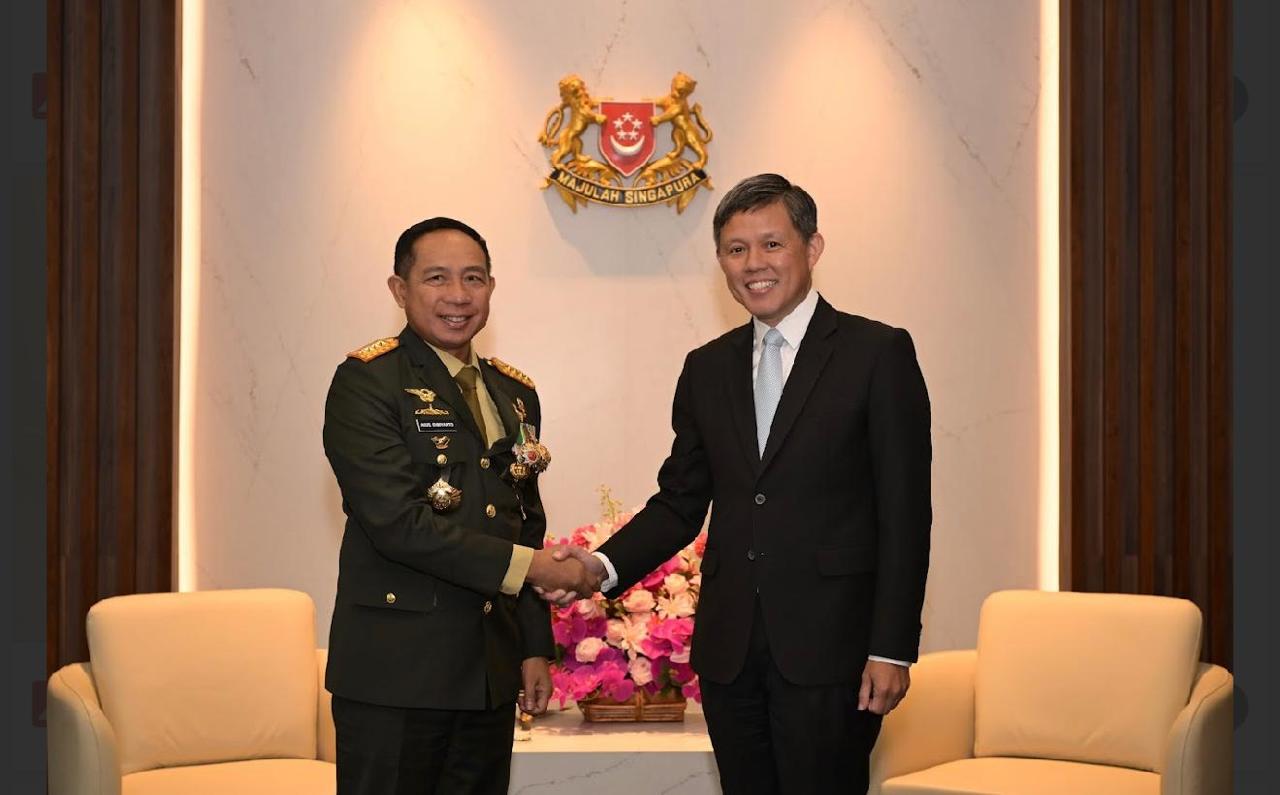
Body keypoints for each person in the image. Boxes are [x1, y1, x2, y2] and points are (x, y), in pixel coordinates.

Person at [548, 174, 932, 793]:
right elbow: (680, 503)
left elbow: (906, 515)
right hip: (730, 656)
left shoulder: (876, 353)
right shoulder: (707, 367)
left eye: (771, 244)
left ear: (812, 247)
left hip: (833, 652)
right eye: (735, 249)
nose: (754, 263)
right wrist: (598, 567)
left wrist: (891, 649)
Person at [322, 217, 595, 794]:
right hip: (396, 676)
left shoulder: (514, 393)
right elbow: (399, 524)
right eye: (437, 278)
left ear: (491, 288)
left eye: (473, 278)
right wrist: (532, 569)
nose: (458, 295)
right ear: (400, 290)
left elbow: (523, 522)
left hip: (487, 674)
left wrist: (533, 648)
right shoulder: (367, 382)